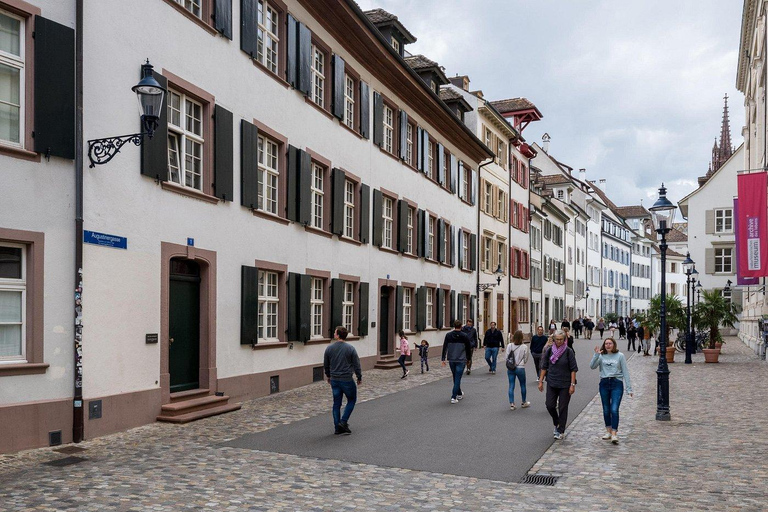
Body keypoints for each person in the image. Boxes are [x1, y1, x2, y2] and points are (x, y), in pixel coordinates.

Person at [590, 338, 633, 444]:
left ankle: (614, 433)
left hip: (616, 383)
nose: (608, 345)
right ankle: (608, 431)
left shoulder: (620, 356)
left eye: (610, 343)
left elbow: (625, 372)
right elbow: (592, 366)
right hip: (604, 383)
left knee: (614, 409)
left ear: (614, 345)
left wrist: (629, 388)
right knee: (606, 409)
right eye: (606, 344)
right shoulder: (601, 356)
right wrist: (596, 355)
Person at [539, 331, 578, 440]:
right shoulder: (550, 350)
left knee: (562, 407)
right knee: (550, 405)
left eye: (561, 339)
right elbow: (544, 366)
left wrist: (572, 384)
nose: (559, 341)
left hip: (565, 384)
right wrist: (541, 381)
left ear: (564, 340)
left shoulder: (568, 352)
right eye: (557, 339)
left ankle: (561, 430)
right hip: (552, 382)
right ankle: (557, 422)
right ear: (554, 339)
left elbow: (573, 369)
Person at [324, 326, 362, 435]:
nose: (334, 334)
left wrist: (328, 376)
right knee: (351, 399)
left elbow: (326, 364)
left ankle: (337, 427)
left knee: (336, 403)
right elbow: (356, 364)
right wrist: (359, 377)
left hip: (335, 380)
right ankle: (343, 422)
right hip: (346, 379)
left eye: (335, 332)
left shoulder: (329, 348)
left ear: (338, 335)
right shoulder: (350, 348)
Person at [442, 320, 472, 403]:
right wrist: (469, 359)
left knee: (455, 376)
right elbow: (468, 349)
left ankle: (459, 393)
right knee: (458, 377)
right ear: (461, 326)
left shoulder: (448, 335)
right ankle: (453, 396)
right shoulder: (464, 336)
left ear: (454, 326)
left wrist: (443, 358)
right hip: (461, 359)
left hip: (451, 358)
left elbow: (445, 347)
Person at [506, 330, 530, 410]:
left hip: (511, 367)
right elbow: (526, 358)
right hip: (520, 367)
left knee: (511, 385)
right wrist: (521, 362)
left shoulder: (510, 345)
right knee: (522, 385)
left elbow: (507, 357)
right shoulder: (524, 347)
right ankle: (524, 402)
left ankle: (512, 403)